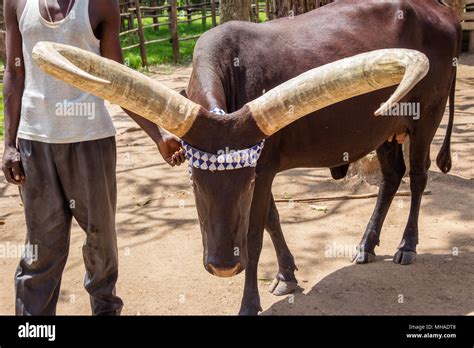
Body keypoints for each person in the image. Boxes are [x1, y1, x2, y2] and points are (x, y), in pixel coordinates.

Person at [2, 0, 185, 315]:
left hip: (91, 141)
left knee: (101, 243)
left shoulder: (100, 4)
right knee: (40, 251)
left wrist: (157, 134)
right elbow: (15, 73)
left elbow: (117, 79)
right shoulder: (17, 2)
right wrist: (9, 144)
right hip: (36, 141)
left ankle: (105, 311)